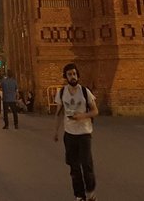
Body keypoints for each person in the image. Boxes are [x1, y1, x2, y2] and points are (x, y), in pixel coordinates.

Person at [53, 63, 99, 201]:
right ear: (65, 76)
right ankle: (79, 195)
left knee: (86, 164)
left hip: (84, 133)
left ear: (77, 75)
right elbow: (59, 113)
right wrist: (56, 131)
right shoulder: (61, 93)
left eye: (74, 74)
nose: (72, 76)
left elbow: (95, 111)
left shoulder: (85, 91)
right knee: (74, 167)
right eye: (69, 74)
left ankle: (90, 191)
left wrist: (83, 116)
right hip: (69, 134)